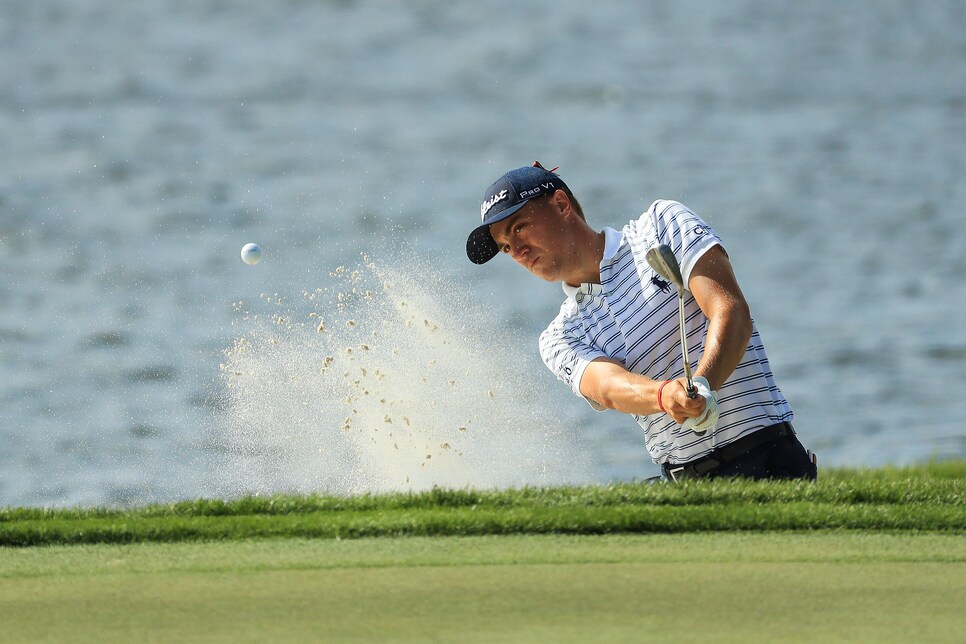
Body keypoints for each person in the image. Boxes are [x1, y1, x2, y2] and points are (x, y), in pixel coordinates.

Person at [466, 162, 816, 481]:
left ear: (561, 205)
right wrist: (667, 396)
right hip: (686, 482)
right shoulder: (559, 336)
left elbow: (731, 311)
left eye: (521, 228)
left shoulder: (661, 225)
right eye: (507, 247)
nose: (518, 250)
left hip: (770, 458)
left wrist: (703, 384)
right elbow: (608, 387)